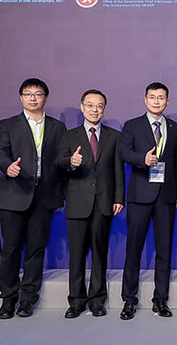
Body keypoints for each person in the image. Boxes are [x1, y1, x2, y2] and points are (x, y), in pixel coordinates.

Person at [0, 78, 66, 319]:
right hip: (14, 194)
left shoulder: (57, 127)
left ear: (46, 97)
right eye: (27, 94)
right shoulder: (8, 124)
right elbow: (0, 152)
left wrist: (60, 196)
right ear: (21, 97)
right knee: (11, 249)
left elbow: (60, 162)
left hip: (44, 196)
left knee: (36, 249)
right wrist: (7, 167)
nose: (33, 98)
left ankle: (27, 299)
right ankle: (8, 298)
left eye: (38, 94)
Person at [119, 82, 177, 320]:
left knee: (164, 250)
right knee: (133, 248)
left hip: (166, 197)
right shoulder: (132, 125)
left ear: (168, 101)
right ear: (145, 100)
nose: (157, 101)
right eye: (152, 97)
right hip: (139, 196)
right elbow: (123, 152)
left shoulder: (175, 128)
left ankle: (160, 299)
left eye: (161, 98)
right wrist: (142, 159)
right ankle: (129, 300)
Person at [56, 89, 125, 318]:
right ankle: (76, 300)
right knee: (76, 254)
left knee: (99, 253)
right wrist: (71, 162)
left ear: (104, 109)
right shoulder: (69, 135)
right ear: (82, 106)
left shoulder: (114, 136)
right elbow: (59, 163)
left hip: (104, 202)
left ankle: (97, 299)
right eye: (90, 105)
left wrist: (118, 198)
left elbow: (118, 170)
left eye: (99, 106)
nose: (95, 110)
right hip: (77, 202)